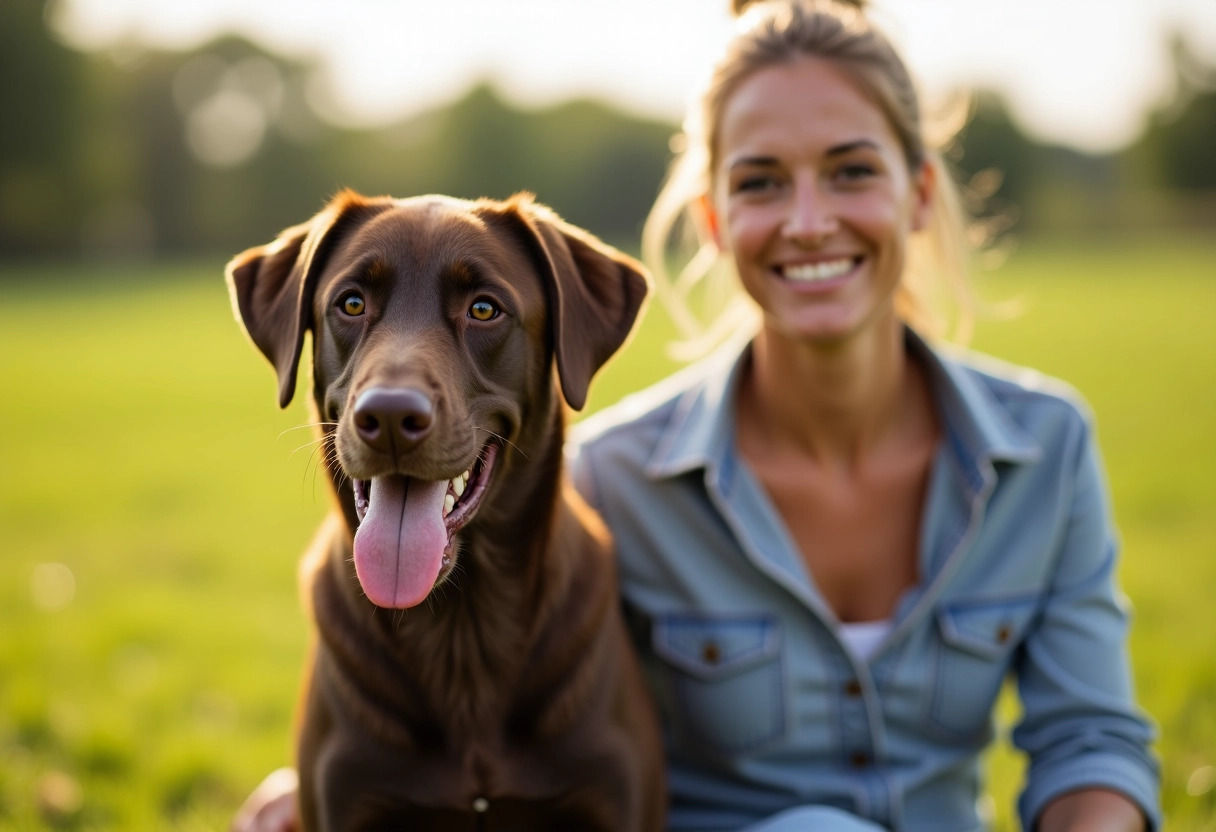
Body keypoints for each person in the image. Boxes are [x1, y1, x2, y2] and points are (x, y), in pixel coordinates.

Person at [234, 1, 1160, 829]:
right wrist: (319, 785)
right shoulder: (615, 479)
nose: (806, 220)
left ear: (917, 194)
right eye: (760, 182)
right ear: (713, 218)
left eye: (849, 171)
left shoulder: (1045, 449)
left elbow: (1092, 744)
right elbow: (497, 714)